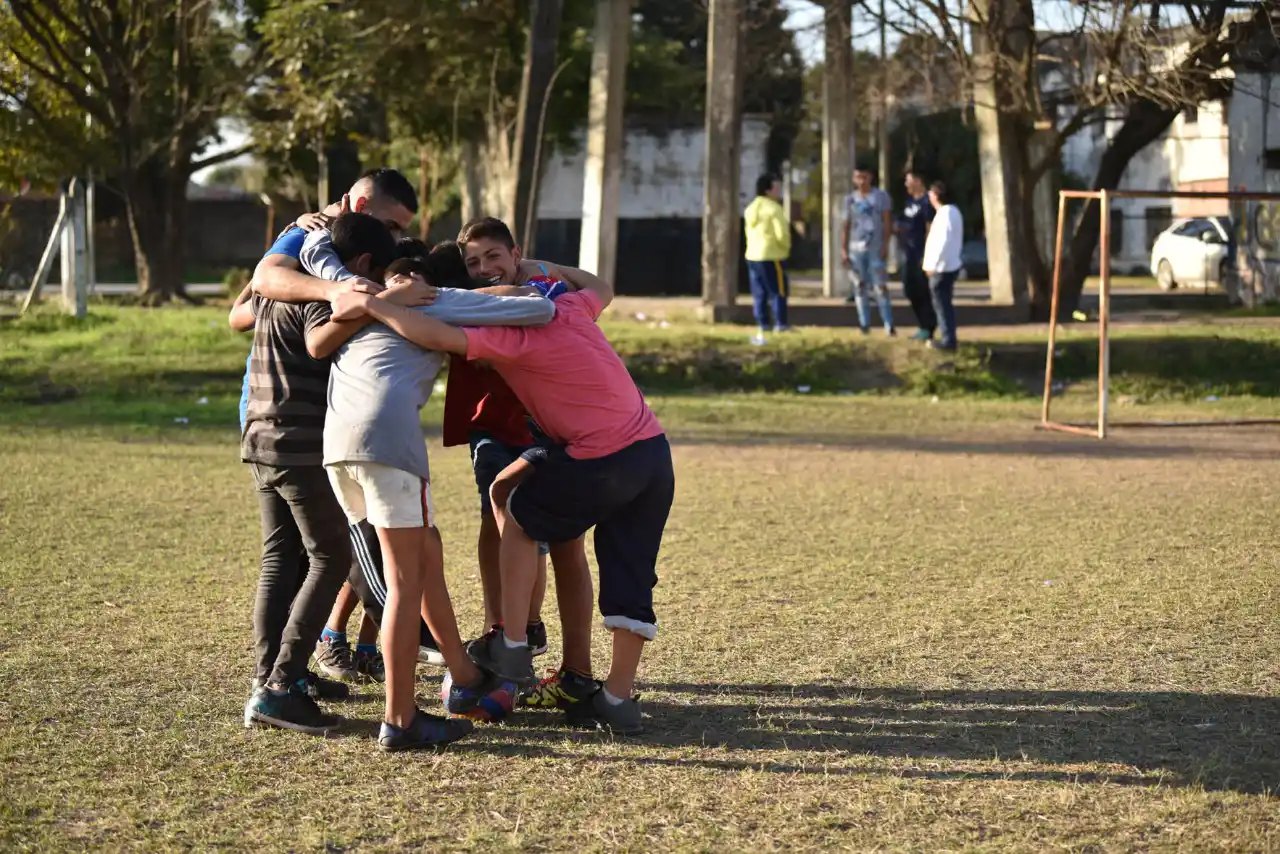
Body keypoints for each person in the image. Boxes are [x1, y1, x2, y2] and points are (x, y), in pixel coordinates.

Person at [327, 256, 675, 737]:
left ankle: (512, 643)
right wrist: (542, 265)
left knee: (520, 515)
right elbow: (600, 285)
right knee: (630, 572)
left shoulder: (513, 336)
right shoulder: (572, 306)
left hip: (601, 457)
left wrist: (375, 304)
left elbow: (435, 335)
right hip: (654, 456)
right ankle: (617, 698)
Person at [299, 230, 558, 750]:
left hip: (336, 451)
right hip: (388, 446)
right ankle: (400, 719)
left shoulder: (360, 300)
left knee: (427, 551)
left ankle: (463, 674)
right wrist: (507, 282)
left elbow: (312, 256)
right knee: (404, 584)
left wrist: (320, 233)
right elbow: (539, 311)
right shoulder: (435, 300)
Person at [234, 212, 402, 736]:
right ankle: (282, 687)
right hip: (297, 443)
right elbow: (319, 341)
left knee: (281, 557)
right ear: (364, 263)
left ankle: (276, 677)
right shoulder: (320, 295)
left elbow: (239, 311)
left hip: (260, 437)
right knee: (332, 556)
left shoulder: (280, 282)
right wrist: (382, 303)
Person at [448, 219, 600, 720]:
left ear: (516, 253)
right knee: (502, 521)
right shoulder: (466, 305)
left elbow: (600, 289)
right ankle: (509, 634)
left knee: (566, 545)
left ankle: (575, 669)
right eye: (473, 263)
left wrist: (543, 271)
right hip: (494, 429)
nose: (485, 269)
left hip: (555, 429)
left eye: (494, 256)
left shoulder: (543, 295)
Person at [842, 167, 896, 336]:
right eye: (858, 177)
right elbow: (846, 225)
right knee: (860, 285)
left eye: (864, 177)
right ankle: (864, 324)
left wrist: (885, 245)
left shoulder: (881, 197)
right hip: (855, 248)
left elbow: (887, 222)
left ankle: (889, 324)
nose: (861, 181)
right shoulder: (850, 199)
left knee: (880, 286)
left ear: (871, 177)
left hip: (875, 247)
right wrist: (843, 249)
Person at [743, 172, 792, 344]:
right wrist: (786, 249)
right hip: (772, 255)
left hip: (752, 255)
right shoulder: (774, 209)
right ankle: (781, 324)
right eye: (776, 188)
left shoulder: (750, 208)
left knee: (759, 293)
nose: (779, 192)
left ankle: (763, 324)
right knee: (778, 291)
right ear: (768, 190)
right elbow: (782, 234)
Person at [921, 181, 963, 352]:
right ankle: (948, 337)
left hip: (942, 268)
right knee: (943, 304)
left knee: (941, 304)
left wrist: (933, 265)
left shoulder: (946, 214)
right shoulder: (951, 212)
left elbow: (943, 242)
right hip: (947, 265)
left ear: (936, 195)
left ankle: (948, 340)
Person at [897, 171, 937, 342]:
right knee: (909, 289)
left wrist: (928, 253)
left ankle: (928, 327)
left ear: (918, 181)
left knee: (923, 291)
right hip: (909, 253)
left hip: (922, 254)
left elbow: (930, 227)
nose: (906, 184)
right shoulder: (909, 202)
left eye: (909, 180)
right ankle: (922, 324)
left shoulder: (927, 202)